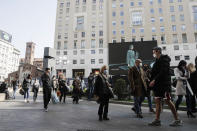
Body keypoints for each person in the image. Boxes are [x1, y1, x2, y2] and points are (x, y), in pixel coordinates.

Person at [148, 47, 182, 126]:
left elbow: (163, 71)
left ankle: (177, 120)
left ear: (158, 51)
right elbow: (157, 72)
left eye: (154, 52)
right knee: (157, 101)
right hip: (158, 85)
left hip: (164, 85)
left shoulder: (164, 59)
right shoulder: (157, 60)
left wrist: (154, 80)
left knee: (168, 101)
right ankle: (157, 120)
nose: (153, 53)